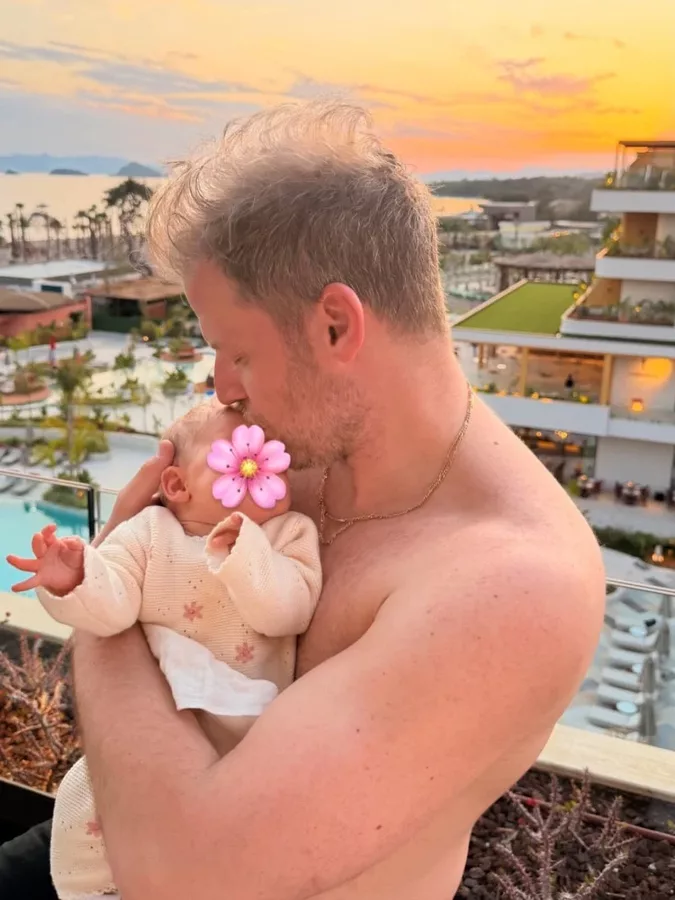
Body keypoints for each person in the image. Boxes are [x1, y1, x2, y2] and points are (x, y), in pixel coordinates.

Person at [0, 100, 605, 900]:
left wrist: (104, 591)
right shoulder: (295, 447)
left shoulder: (509, 585)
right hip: (95, 834)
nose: (220, 387)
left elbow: (184, 876)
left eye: (237, 352)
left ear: (334, 326)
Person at [8, 402, 321, 900]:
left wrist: (245, 552)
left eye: (272, 459)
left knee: (216, 839)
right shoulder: (147, 533)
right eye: (238, 457)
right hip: (151, 718)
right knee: (90, 806)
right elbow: (111, 609)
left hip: (240, 733)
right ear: (176, 485)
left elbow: (289, 612)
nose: (260, 470)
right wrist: (77, 577)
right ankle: (89, 888)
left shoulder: (288, 534)